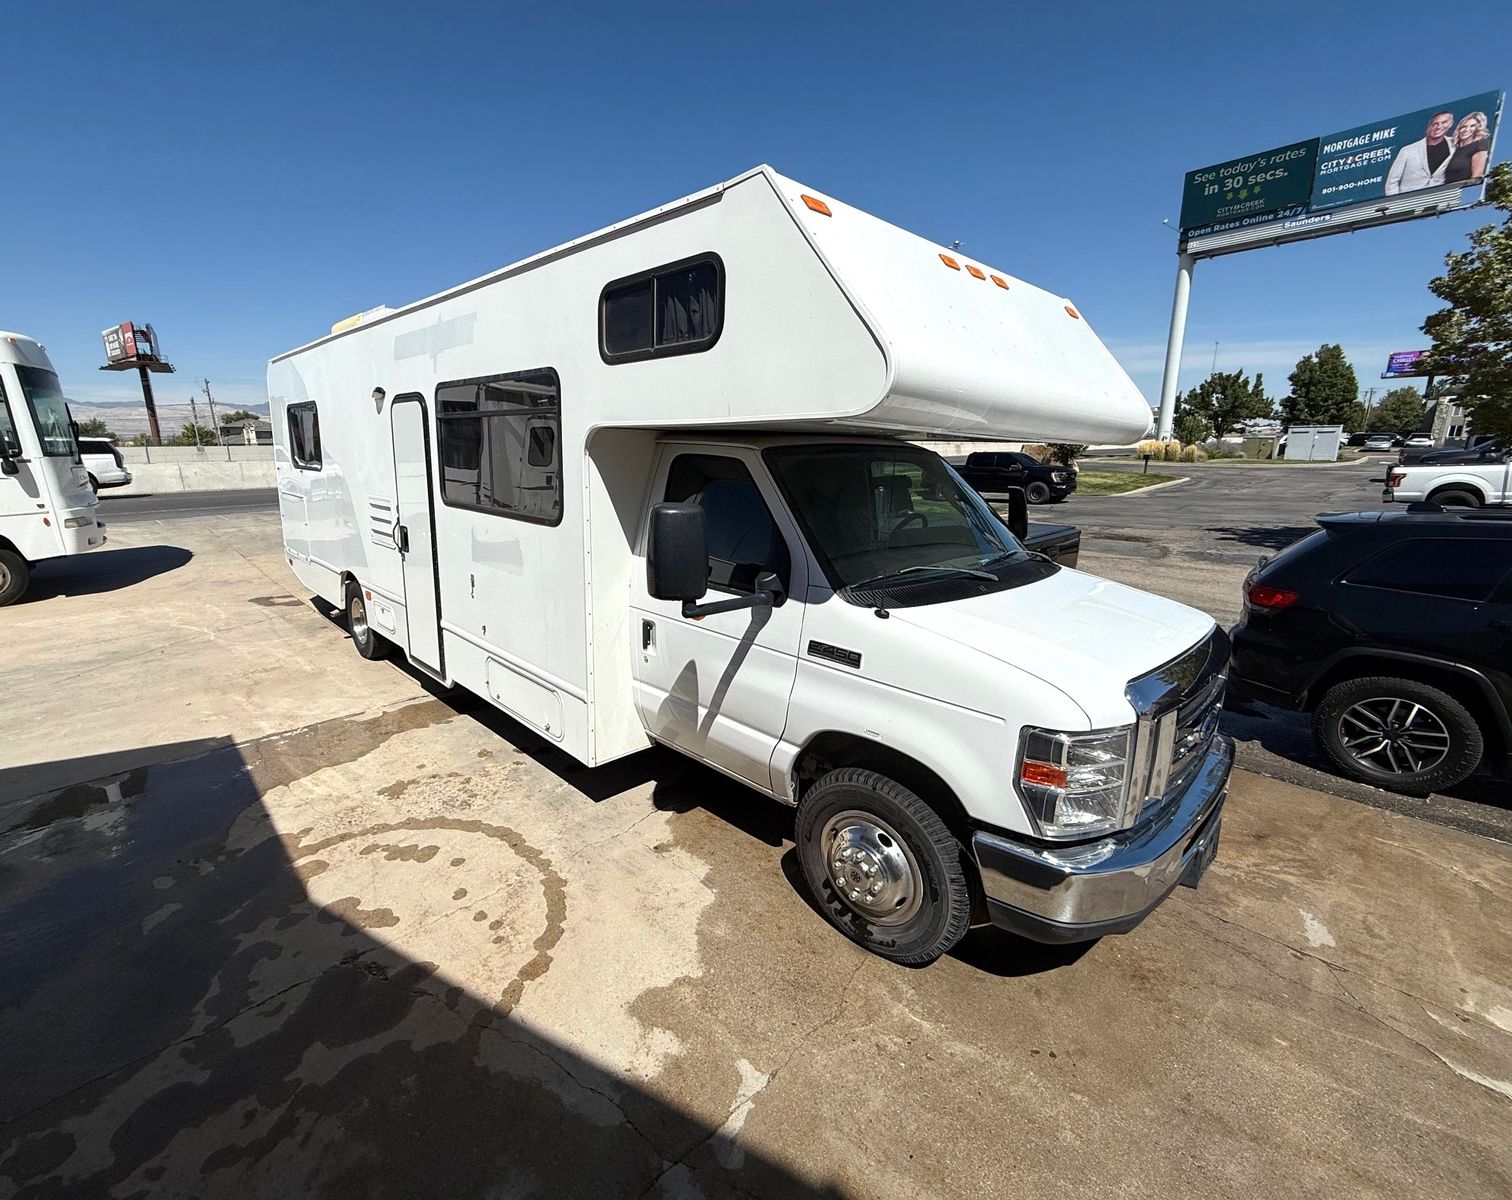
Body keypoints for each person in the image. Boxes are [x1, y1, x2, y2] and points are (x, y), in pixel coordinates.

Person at [1384, 110, 1455, 194]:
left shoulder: (1455, 145)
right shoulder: (1407, 150)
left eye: (1444, 122)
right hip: (1408, 202)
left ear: (1450, 124)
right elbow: (1392, 181)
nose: (1439, 127)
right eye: (1435, 124)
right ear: (1429, 127)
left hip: (1439, 201)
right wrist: (1396, 204)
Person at [1444, 111, 1492, 185]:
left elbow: (1477, 177)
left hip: (1463, 192)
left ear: (1478, 128)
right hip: (1445, 192)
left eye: (1472, 126)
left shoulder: (1480, 145)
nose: (1467, 129)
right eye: (1464, 126)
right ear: (1459, 128)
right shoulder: (1454, 149)